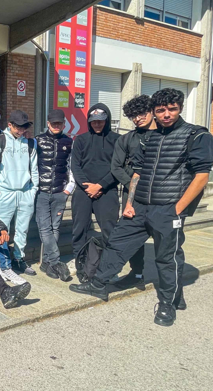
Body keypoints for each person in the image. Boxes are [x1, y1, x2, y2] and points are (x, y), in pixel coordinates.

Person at [71, 89, 213, 326]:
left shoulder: (196, 135)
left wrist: (177, 209)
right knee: (117, 243)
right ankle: (98, 284)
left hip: (168, 209)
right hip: (139, 206)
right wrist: (129, 203)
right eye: (161, 110)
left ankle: (168, 303)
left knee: (166, 257)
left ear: (180, 108)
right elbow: (137, 173)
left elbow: (201, 176)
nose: (166, 114)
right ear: (154, 111)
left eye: (172, 109)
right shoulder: (149, 138)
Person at [108, 95, 156, 290]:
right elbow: (116, 167)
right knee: (132, 234)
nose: (137, 118)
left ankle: (170, 280)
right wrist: (133, 185)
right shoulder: (127, 139)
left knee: (164, 237)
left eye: (141, 113)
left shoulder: (166, 135)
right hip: (133, 195)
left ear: (151, 111)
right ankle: (137, 273)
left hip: (161, 196)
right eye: (133, 116)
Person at [0, 110, 39, 283]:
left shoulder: (31, 142)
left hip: (25, 192)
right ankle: (4, 264)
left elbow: (34, 167)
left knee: (22, 228)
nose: (21, 130)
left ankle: (19, 258)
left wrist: (34, 189)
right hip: (5, 192)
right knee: (2, 229)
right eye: (18, 127)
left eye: (24, 127)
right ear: (9, 124)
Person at [70, 103, 120, 282]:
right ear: (89, 121)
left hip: (107, 191)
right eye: (93, 121)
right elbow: (75, 166)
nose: (97, 124)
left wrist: (100, 185)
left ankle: (108, 267)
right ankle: (81, 265)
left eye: (100, 121)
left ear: (107, 120)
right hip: (83, 192)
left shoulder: (117, 140)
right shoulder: (80, 140)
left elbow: (118, 167)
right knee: (79, 230)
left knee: (109, 231)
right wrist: (87, 187)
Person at [34, 109, 74, 281]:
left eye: (59, 123)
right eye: (54, 123)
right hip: (41, 192)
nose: (57, 126)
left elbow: (72, 166)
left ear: (64, 124)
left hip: (60, 192)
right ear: (48, 123)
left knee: (55, 228)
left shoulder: (69, 142)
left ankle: (47, 263)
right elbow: (32, 165)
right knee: (45, 228)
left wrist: (68, 189)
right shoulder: (37, 140)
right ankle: (56, 262)